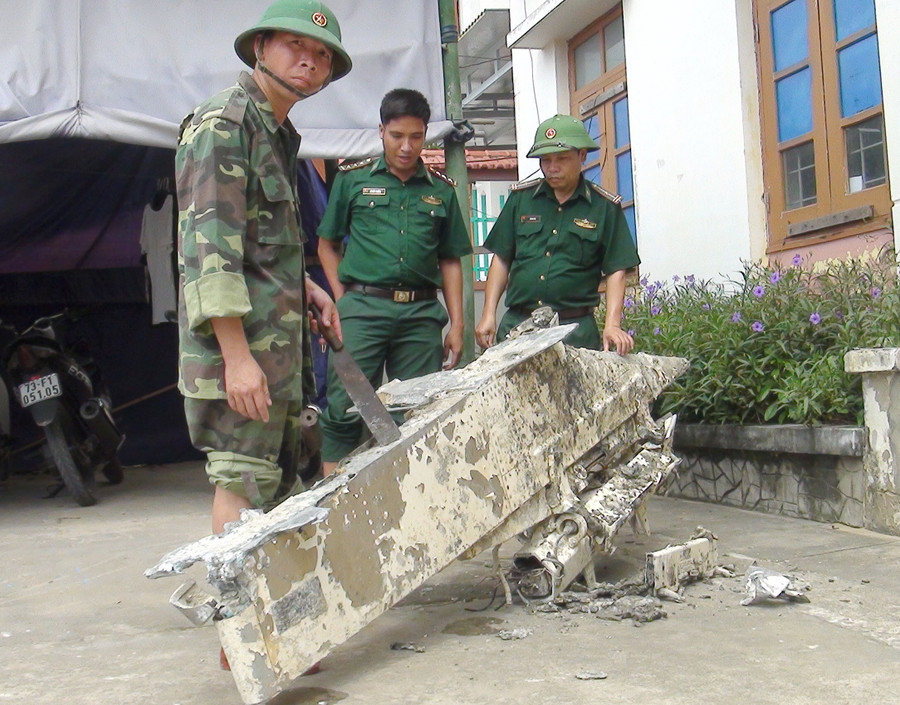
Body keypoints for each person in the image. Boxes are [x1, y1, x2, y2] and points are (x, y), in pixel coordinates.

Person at [175, 0, 352, 538]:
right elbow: (210, 252)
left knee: (277, 486)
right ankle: (238, 610)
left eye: (321, 55)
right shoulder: (223, 125)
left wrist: (308, 290)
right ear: (260, 47)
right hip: (242, 355)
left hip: (276, 352)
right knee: (242, 480)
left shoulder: (276, 134)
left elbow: (255, 245)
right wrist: (236, 359)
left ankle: (273, 611)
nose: (309, 61)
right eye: (295, 45)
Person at [317, 88, 472, 474]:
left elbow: (450, 259)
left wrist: (458, 322)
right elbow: (326, 245)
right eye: (397, 136)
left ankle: (412, 502)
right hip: (362, 310)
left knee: (418, 413)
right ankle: (332, 509)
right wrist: (341, 301)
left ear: (425, 135)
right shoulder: (351, 181)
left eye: (416, 137)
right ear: (381, 130)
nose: (406, 146)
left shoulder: (441, 190)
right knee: (345, 407)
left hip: (420, 315)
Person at [475, 114, 640, 353]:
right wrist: (488, 313)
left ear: (582, 156)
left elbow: (617, 269)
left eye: (562, 159)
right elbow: (501, 258)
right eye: (545, 160)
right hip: (519, 327)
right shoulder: (521, 200)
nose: (552, 168)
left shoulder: (603, 207)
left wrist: (612, 324)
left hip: (575, 331)